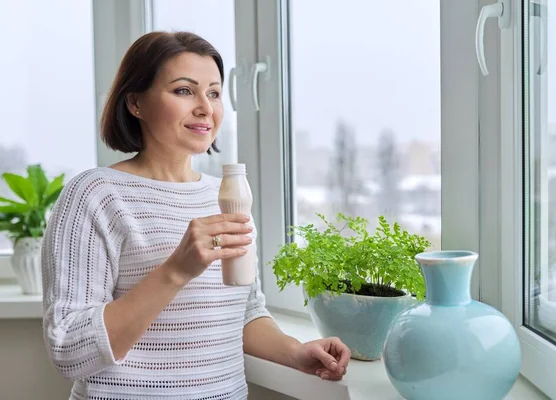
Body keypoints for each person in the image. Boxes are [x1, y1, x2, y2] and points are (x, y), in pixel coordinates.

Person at [41, 31, 351, 400]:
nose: (206, 107)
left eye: (215, 92)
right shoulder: (94, 195)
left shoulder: (224, 195)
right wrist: (176, 271)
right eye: (184, 90)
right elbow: (69, 349)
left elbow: (244, 313)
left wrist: (296, 353)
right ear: (135, 102)